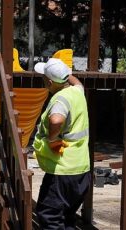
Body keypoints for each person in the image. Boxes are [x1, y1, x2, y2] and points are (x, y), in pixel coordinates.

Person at [33, 58, 91, 229]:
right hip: (81, 170)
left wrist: (52, 139)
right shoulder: (77, 92)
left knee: (49, 215)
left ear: (50, 82)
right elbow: (77, 82)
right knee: (68, 217)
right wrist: (66, 73)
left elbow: (56, 120)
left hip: (61, 170)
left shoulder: (61, 99)